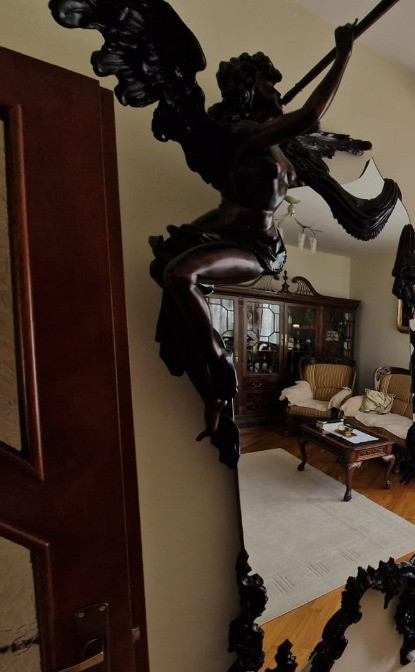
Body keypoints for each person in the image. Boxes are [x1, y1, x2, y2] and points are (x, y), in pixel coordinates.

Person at [149, 23, 357, 444]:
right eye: (269, 87)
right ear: (248, 93)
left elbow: (306, 126)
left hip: (261, 247)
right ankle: (220, 362)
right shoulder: (243, 132)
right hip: (231, 235)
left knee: (179, 275)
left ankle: (217, 372)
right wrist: (343, 54)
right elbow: (310, 115)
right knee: (177, 274)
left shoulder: (274, 144)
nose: (278, 94)